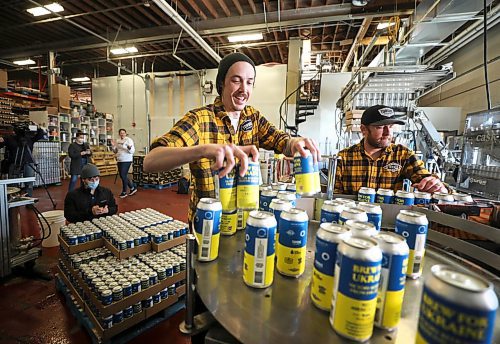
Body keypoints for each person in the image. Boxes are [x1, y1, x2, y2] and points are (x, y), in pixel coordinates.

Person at [144, 52, 320, 224]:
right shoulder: (200, 119)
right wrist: (203, 150)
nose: (244, 89)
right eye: (236, 81)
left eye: (249, 83)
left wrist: (295, 142)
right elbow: (150, 161)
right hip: (209, 223)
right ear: (221, 83)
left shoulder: (253, 117)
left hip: (246, 222)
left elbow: (281, 141)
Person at [334, 105, 447, 195]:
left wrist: (437, 186)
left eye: (391, 126)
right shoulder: (344, 157)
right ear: (364, 129)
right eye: (381, 127)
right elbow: (334, 195)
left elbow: (424, 178)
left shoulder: (403, 155)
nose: (388, 133)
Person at [0, 121, 46, 196]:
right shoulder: (10, 138)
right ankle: (13, 199)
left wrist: (37, 126)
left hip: (28, 163)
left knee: (29, 183)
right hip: (14, 163)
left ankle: (29, 200)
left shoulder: (29, 138)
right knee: (13, 184)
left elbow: (41, 134)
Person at [111, 128, 137, 198]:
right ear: (119, 134)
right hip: (120, 159)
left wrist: (129, 148)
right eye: (121, 133)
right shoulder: (118, 140)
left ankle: (124, 191)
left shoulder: (129, 140)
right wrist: (113, 146)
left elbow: (132, 151)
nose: (122, 134)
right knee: (123, 176)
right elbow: (115, 151)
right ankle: (132, 188)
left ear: (125, 133)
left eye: (123, 133)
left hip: (127, 160)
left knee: (123, 175)